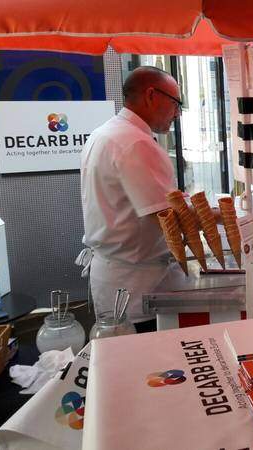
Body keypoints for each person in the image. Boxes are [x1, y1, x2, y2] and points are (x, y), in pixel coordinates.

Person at [79, 66, 183, 333]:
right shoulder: (135, 142)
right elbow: (166, 216)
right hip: (137, 284)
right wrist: (220, 217)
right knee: (144, 355)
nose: (177, 113)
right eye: (175, 103)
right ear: (151, 95)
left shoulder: (106, 132)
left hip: (115, 275)